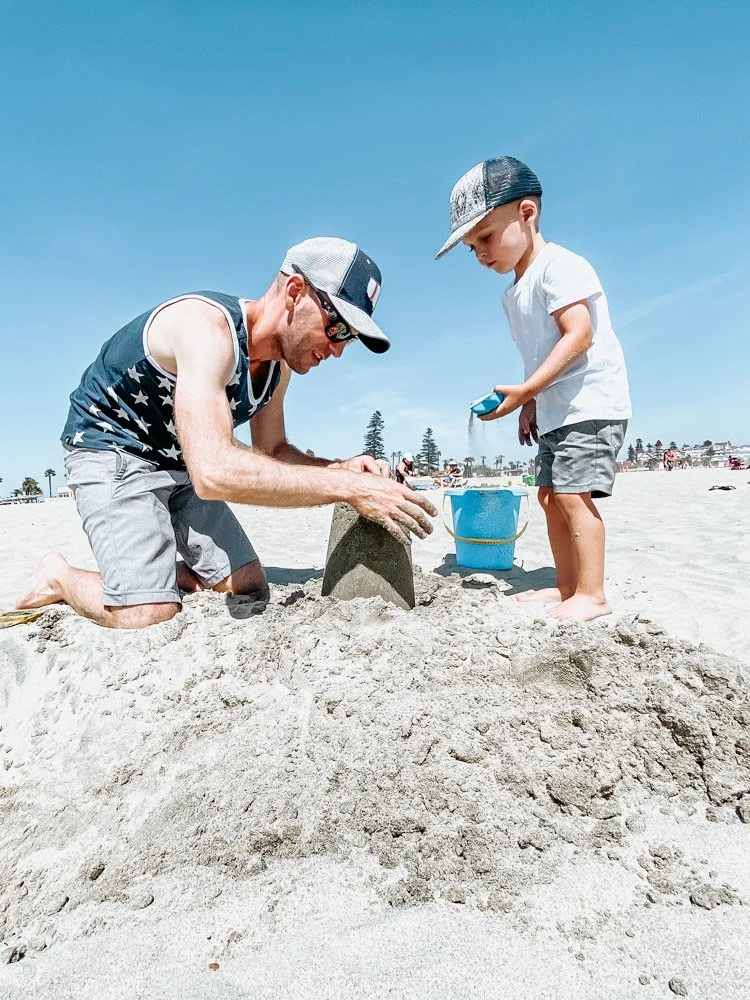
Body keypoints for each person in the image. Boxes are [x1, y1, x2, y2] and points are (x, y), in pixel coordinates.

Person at [16, 238, 437, 629]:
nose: (340, 347)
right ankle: (59, 576)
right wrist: (345, 487)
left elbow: (273, 449)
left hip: (181, 459)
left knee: (248, 582)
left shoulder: (279, 367)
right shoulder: (206, 330)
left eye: (351, 337)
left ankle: (158, 570)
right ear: (295, 291)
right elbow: (215, 472)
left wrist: (341, 468)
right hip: (114, 449)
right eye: (339, 327)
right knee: (147, 613)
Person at [436, 156, 631, 622]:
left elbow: (578, 334)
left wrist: (525, 392)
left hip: (592, 401)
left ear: (527, 212)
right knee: (547, 495)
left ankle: (592, 593)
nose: (481, 253)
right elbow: (538, 353)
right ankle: (567, 587)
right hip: (557, 405)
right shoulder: (513, 292)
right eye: (471, 247)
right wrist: (532, 402)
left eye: (485, 236)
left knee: (571, 494)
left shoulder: (559, 265)